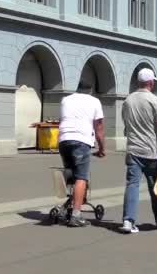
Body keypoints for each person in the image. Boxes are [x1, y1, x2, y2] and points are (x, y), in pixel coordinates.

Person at [120, 68, 157, 234]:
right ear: (151, 82)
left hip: (133, 150)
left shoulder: (128, 101)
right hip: (151, 152)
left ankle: (128, 221)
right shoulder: (155, 101)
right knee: (155, 187)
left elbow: (126, 124)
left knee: (132, 185)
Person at [57, 82, 105, 227]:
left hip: (64, 140)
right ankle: (76, 214)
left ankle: (67, 205)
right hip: (81, 141)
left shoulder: (66, 100)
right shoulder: (94, 101)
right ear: (90, 90)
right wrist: (102, 148)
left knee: (70, 173)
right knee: (81, 177)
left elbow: (62, 120)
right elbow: (99, 127)